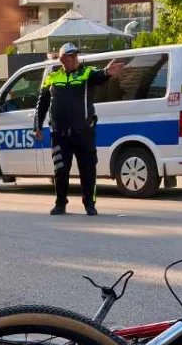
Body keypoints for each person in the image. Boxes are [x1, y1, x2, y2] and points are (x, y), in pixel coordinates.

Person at [33, 43, 122, 216]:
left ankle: (89, 203)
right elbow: (41, 104)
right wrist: (37, 127)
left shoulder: (86, 73)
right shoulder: (52, 77)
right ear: (62, 59)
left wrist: (107, 73)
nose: (75, 58)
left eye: (76, 55)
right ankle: (60, 204)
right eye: (71, 56)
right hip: (59, 135)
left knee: (88, 169)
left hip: (84, 133)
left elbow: (99, 75)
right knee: (60, 170)